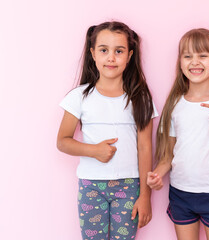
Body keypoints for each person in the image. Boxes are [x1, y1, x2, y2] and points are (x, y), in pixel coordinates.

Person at [57, 21, 157, 240]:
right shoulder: (79, 97)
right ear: (93, 53)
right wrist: (94, 151)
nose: (111, 57)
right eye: (104, 50)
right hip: (91, 186)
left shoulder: (140, 98)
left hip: (129, 186)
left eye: (118, 51)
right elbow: (62, 141)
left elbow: (145, 147)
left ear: (129, 55)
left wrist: (145, 195)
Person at [147, 28, 209, 240]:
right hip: (181, 193)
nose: (194, 62)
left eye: (202, 55)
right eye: (187, 56)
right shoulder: (174, 103)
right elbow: (168, 154)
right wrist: (157, 174)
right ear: (180, 62)